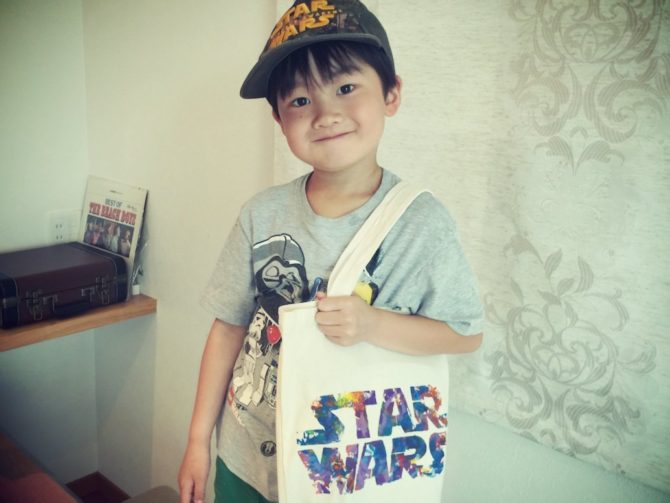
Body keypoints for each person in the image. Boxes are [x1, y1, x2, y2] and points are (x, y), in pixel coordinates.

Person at [178, 1, 484, 502]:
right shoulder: (261, 214)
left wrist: (372, 325)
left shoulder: (421, 224)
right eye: (300, 100)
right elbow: (228, 327)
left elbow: (466, 333)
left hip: (343, 474)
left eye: (345, 88)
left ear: (391, 93)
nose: (325, 114)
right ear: (279, 119)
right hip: (244, 456)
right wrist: (197, 440)